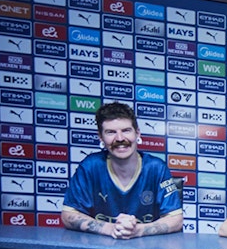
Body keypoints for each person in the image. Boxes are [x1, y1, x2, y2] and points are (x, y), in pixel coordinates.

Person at [61, 102, 183, 239]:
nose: (119, 138)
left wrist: (138, 230)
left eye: (126, 130)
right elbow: (68, 215)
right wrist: (110, 228)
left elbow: (176, 220)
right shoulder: (90, 166)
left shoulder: (156, 168)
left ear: (137, 133)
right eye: (111, 132)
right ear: (101, 137)